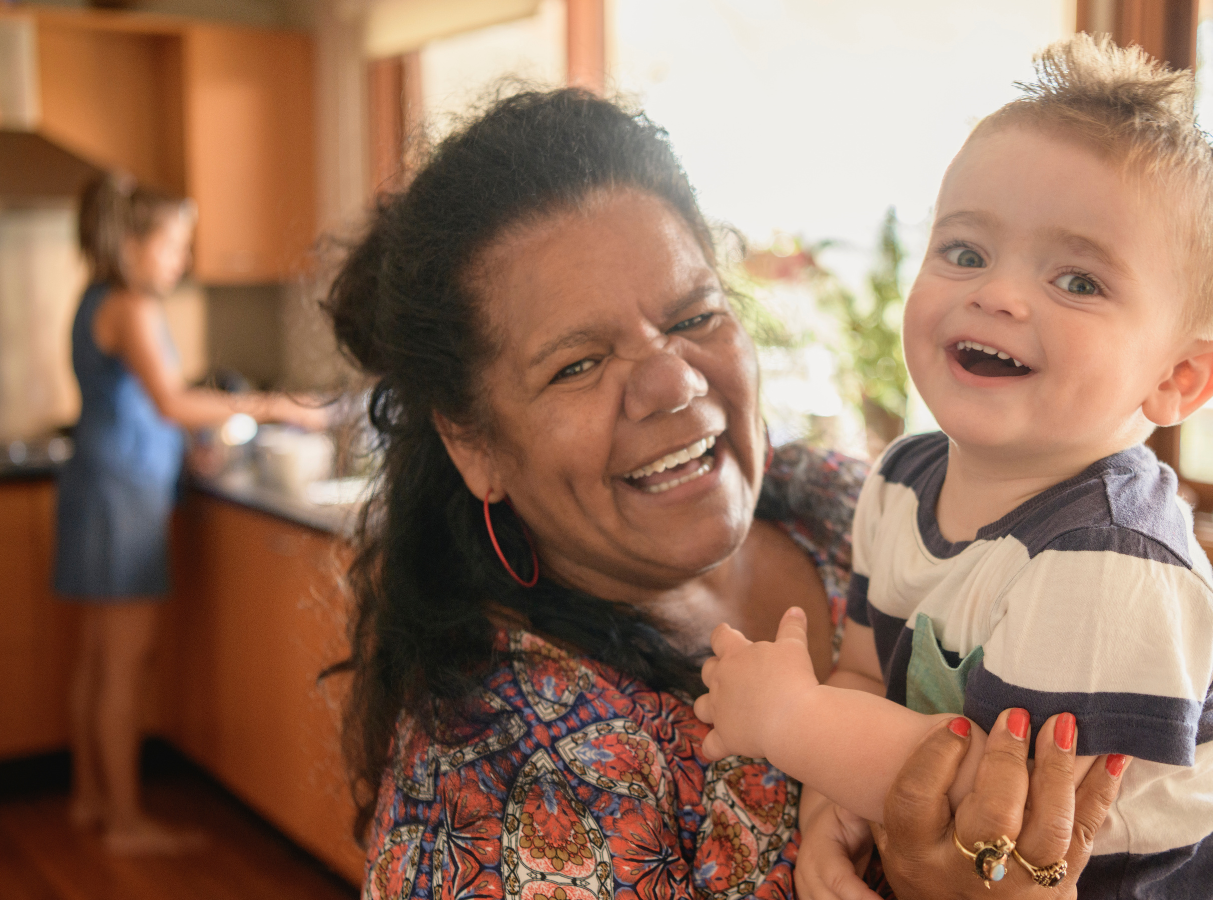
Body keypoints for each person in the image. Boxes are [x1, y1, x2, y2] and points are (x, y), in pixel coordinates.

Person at [323, 88, 1127, 900]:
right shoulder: (505, 793)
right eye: (578, 364)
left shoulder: (851, 503)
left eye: (693, 316)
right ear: (474, 443)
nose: (672, 382)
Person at [696, 35, 1213, 898]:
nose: (998, 294)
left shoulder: (1109, 554)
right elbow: (862, 672)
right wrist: (823, 813)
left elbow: (996, 795)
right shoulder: (900, 480)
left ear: (1177, 378)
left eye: (1077, 280)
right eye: (964, 252)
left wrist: (791, 724)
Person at [55, 172, 326, 855]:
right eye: (174, 245)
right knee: (124, 664)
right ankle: (125, 823)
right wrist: (275, 405)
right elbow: (171, 401)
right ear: (134, 243)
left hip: (97, 488)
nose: (180, 260)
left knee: (95, 659)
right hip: (122, 501)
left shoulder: (96, 299)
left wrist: (189, 449)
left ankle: (91, 799)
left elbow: (142, 408)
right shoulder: (134, 307)